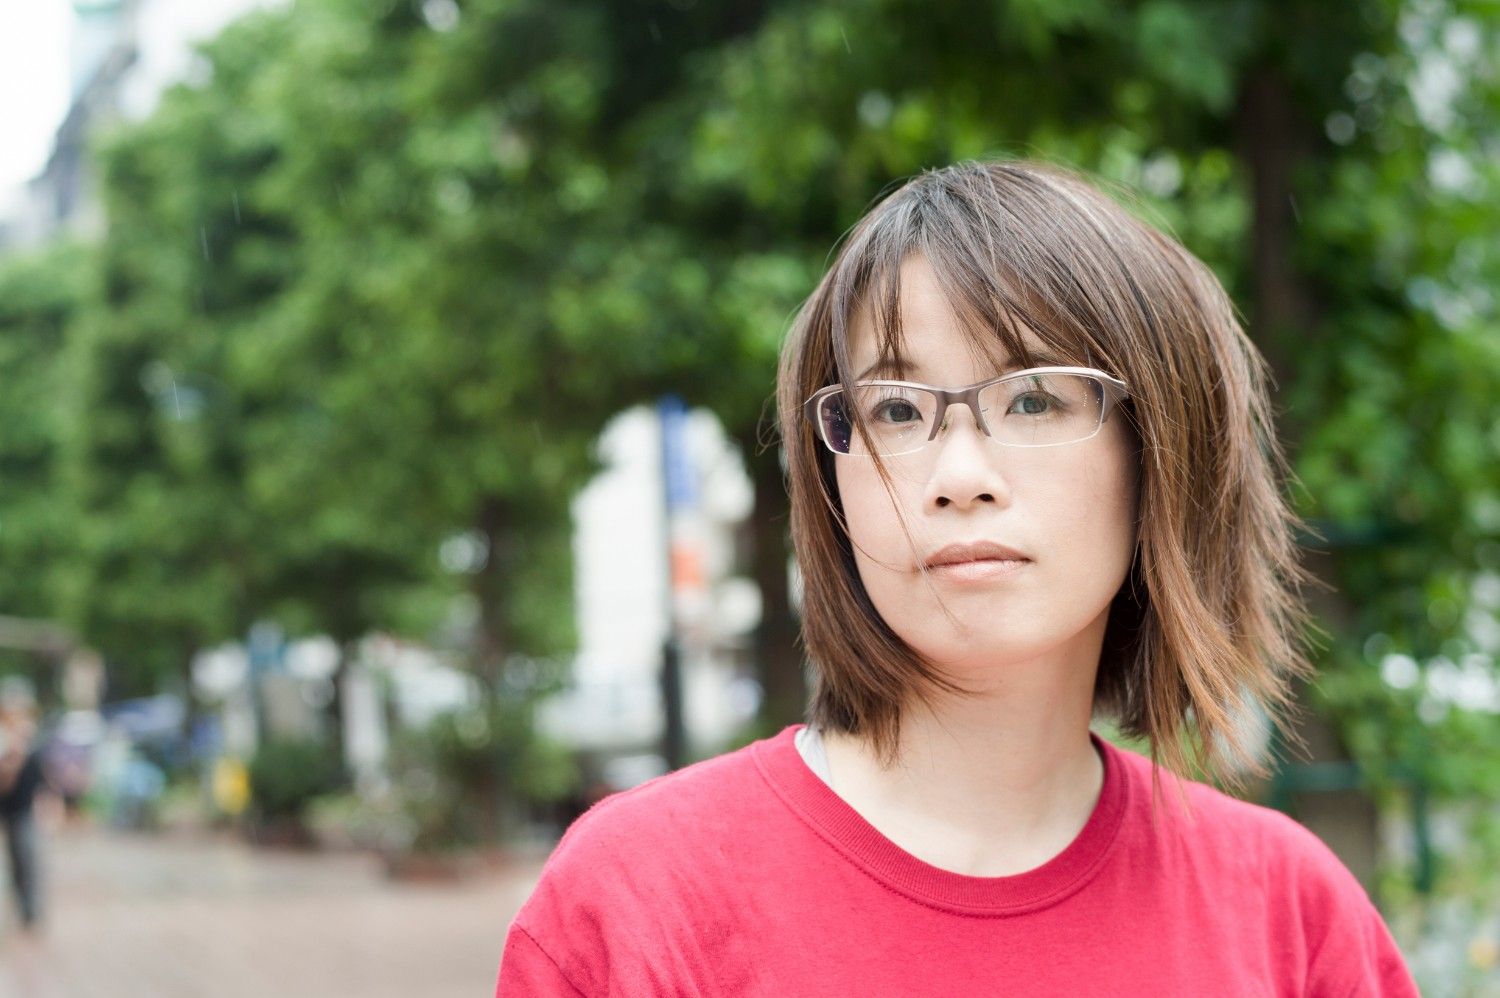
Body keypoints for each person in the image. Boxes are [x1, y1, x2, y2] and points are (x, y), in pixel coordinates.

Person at [494, 160, 1420, 995]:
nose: (959, 475)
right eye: (896, 410)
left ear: (1164, 453)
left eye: (1034, 398)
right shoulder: (639, 900)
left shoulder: (1289, 918)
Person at [0, 698, 46, 930]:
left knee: (26, 861)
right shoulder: (7, 745)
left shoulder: (30, 745)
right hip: (8, 809)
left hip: (23, 811)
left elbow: (41, 781)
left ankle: (30, 911)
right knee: (16, 863)